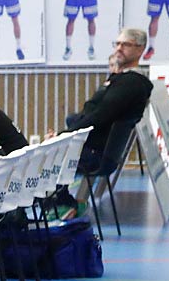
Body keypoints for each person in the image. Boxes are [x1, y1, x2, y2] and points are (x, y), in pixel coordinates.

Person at [63, 29, 154, 173]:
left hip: (96, 156)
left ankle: (59, 195)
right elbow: (92, 110)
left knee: (43, 159)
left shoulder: (130, 83)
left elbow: (99, 116)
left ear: (140, 50)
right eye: (117, 44)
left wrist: (62, 136)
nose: (119, 48)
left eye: (126, 45)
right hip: (94, 150)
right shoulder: (120, 79)